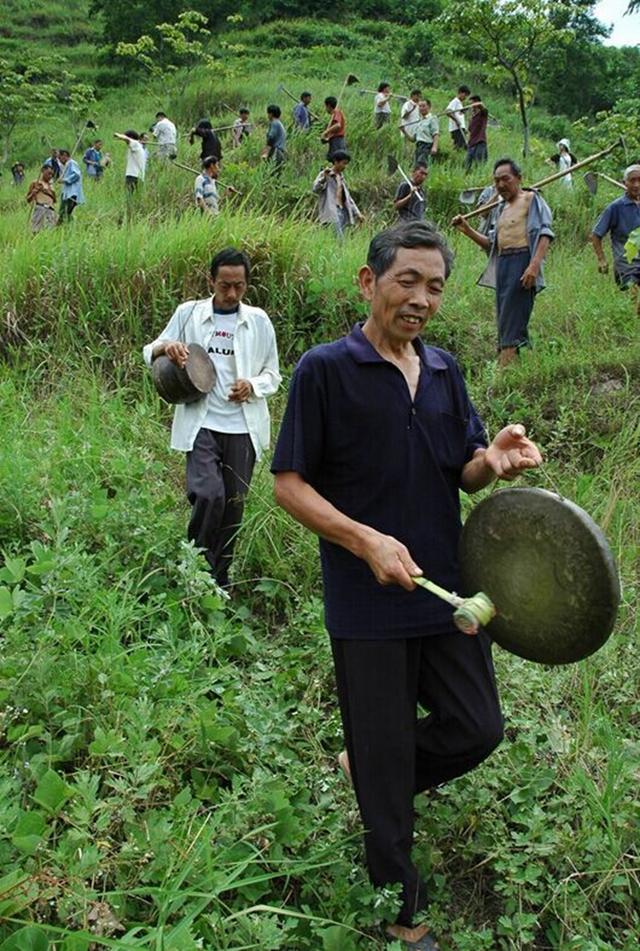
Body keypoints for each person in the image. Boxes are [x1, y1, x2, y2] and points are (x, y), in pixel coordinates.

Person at [271, 220, 543, 951]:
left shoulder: (447, 371)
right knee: (388, 761)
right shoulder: (325, 370)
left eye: (435, 287)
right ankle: (401, 908)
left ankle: (374, 772)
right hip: (368, 606)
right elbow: (288, 484)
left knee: (478, 726)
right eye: (407, 281)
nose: (421, 299)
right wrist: (363, 540)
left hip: (446, 592)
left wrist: (494, 457)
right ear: (369, 282)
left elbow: (464, 468)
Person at [143, 248, 281, 588]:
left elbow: (273, 374)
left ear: (247, 284)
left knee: (233, 505)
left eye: (239, 286)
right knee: (208, 494)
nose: (231, 293)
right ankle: (195, 570)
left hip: (242, 427)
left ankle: (220, 580)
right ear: (211, 282)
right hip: (202, 422)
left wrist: (252, 385)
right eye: (224, 285)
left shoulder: (258, 321)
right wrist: (167, 348)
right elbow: (151, 349)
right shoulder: (189, 314)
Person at [452, 157, 554, 366]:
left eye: (505, 179)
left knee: (511, 322)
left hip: (523, 262)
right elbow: (492, 245)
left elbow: (545, 233)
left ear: (518, 178)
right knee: (505, 321)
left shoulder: (531, 199)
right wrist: (467, 230)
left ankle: (503, 375)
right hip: (503, 265)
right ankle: (518, 368)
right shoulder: (501, 209)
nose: (500, 185)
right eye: (496, 181)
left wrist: (534, 265)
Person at [591, 164, 640, 313]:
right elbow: (596, 234)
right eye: (632, 180)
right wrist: (601, 259)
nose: (636, 184)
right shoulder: (615, 207)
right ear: (625, 183)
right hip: (626, 265)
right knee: (634, 300)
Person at [312, 150, 363, 238]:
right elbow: (315, 189)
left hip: (342, 211)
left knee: (339, 237)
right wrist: (324, 178)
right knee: (339, 239)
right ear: (336, 162)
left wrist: (357, 213)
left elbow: (348, 199)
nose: (345, 166)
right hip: (331, 211)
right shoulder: (325, 174)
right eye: (344, 163)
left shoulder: (341, 178)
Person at [26, 165, 57, 232]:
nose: (50, 176)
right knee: (36, 229)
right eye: (49, 173)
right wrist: (33, 193)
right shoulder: (35, 183)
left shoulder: (50, 185)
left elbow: (54, 200)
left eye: (52, 174)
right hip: (40, 207)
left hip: (50, 209)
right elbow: (28, 199)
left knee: (50, 230)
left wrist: (47, 191)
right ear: (43, 171)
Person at [57, 149, 84, 223]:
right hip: (67, 192)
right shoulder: (66, 165)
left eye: (60, 157)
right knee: (66, 212)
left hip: (72, 193)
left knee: (64, 212)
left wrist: (65, 180)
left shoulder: (71, 163)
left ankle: (60, 226)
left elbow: (76, 175)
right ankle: (67, 226)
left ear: (65, 156)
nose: (59, 160)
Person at [465, 96, 488, 171]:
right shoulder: (472, 117)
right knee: (467, 165)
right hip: (471, 144)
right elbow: (470, 131)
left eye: (472, 104)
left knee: (479, 165)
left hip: (479, 142)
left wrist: (477, 104)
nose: (471, 107)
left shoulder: (482, 114)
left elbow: (483, 107)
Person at [413, 100, 439, 167]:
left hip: (426, 146)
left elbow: (435, 133)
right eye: (420, 106)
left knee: (422, 165)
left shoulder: (432, 118)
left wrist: (434, 147)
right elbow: (413, 139)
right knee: (416, 166)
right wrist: (403, 130)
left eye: (424, 106)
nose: (421, 108)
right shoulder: (419, 121)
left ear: (429, 107)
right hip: (418, 146)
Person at [262, 105, 287, 172]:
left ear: (271, 114)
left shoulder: (274, 123)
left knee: (271, 172)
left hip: (276, 151)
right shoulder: (279, 123)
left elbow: (271, 137)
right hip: (281, 151)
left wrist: (266, 151)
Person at [446, 84, 470, 151]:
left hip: (460, 128)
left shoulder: (460, 103)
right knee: (462, 146)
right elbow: (448, 111)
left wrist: (463, 111)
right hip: (456, 128)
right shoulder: (455, 101)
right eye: (465, 95)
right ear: (460, 93)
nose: (465, 97)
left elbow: (458, 113)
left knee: (460, 145)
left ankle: (454, 157)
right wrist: (456, 120)